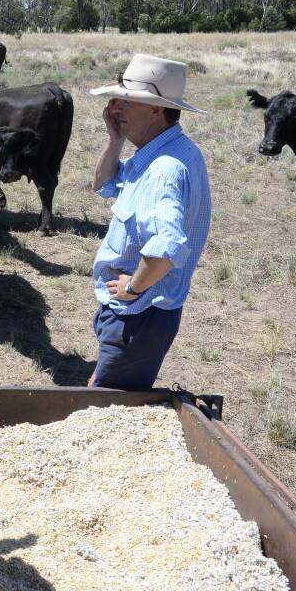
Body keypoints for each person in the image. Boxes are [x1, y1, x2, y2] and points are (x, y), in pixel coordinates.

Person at [87, 54, 212, 389]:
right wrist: (115, 141)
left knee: (104, 408)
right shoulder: (165, 152)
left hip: (139, 314)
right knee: (104, 393)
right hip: (138, 314)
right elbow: (104, 185)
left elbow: (166, 248)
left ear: (156, 110)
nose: (114, 108)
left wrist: (133, 287)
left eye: (126, 101)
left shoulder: (163, 171)